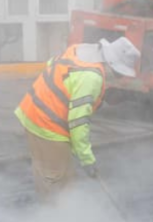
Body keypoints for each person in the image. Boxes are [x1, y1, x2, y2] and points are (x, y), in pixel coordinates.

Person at [15, 36, 141, 201]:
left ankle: (49, 215)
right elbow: (78, 121)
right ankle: (57, 221)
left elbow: (52, 65)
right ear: (113, 66)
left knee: (47, 175)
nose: (118, 79)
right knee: (61, 185)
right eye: (120, 74)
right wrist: (87, 159)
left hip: (31, 113)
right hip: (49, 126)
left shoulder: (82, 49)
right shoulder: (92, 77)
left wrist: (97, 96)